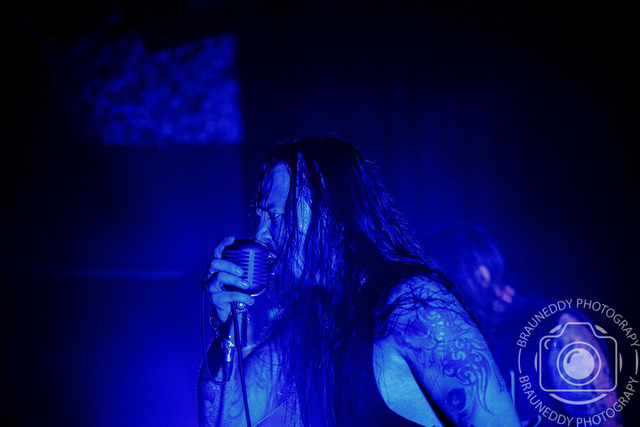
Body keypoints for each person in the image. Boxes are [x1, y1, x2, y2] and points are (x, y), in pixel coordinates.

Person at [198, 137, 520, 426]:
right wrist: (229, 327)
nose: (260, 236)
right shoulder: (311, 318)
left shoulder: (413, 306)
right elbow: (225, 421)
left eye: (274, 216)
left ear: (329, 212)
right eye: (259, 218)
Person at [424, 225, 623, 426]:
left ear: (481, 276)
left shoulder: (555, 327)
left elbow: (605, 422)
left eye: (442, 285)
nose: (434, 301)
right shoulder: (461, 347)